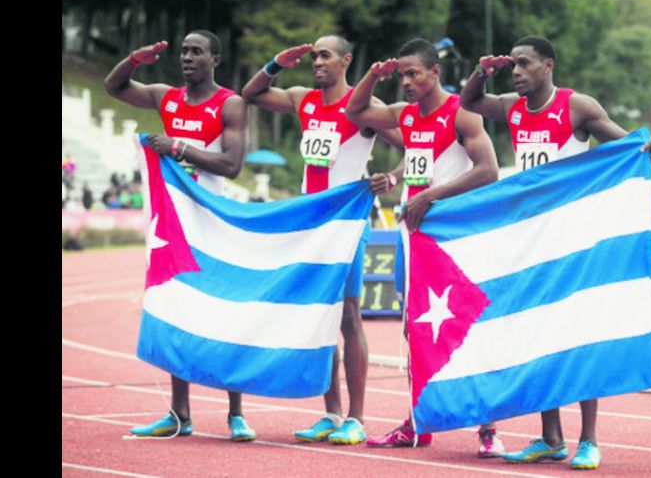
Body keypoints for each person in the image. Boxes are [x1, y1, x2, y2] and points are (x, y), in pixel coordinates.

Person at [460, 35, 651, 470]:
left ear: (549, 66)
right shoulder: (511, 107)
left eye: (524, 64)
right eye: (513, 66)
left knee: (577, 332)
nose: (516, 72)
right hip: (531, 239)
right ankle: (550, 436)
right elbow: (471, 101)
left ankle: (589, 439)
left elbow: (633, 148)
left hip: (574, 238)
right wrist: (484, 70)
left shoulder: (578, 107)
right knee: (538, 332)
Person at [241, 35, 403, 446]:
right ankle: (330, 412)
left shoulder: (364, 109)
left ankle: (357, 417)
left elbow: (416, 144)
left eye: (324, 56)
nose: (316, 62)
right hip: (310, 225)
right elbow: (252, 93)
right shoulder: (302, 99)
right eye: (313, 56)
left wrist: (394, 178)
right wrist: (278, 60)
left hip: (346, 224)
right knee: (321, 317)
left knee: (349, 317)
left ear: (346, 61)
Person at [345, 38, 504, 458]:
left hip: (453, 236)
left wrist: (431, 196)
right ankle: (418, 421)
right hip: (412, 236)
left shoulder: (461, 113)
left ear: (435, 72)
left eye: (413, 73)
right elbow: (355, 112)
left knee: (467, 326)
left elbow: (488, 171)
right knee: (415, 327)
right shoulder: (405, 115)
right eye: (400, 75)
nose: (406, 82)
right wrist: (372, 75)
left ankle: (487, 426)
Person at [104, 29, 255, 441]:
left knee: (224, 313)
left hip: (213, 220)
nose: (187, 58)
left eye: (197, 52)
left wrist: (178, 148)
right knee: (175, 310)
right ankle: (178, 413)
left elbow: (231, 165)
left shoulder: (231, 103)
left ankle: (236, 413)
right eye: (184, 51)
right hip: (174, 223)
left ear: (215, 60)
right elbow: (114, 86)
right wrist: (135, 59)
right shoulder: (165, 96)